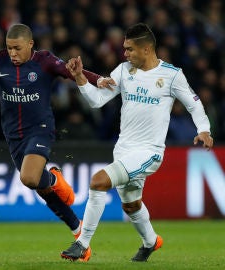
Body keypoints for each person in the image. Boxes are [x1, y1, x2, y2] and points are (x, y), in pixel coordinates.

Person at [61, 23, 214, 262]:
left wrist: (204, 130)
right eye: (124, 49)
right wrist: (80, 77)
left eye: (130, 49)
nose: (125, 54)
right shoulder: (123, 71)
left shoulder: (172, 75)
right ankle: (151, 242)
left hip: (149, 152)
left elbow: (194, 103)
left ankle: (82, 243)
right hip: (123, 149)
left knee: (98, 181)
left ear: (146, 49)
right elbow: (97, 101)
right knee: (131, 205)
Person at [0, 23, 102, 261]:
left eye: (17, 48)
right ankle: (77, 230)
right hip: (13, 136)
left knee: (29, 177)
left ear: (30, 44)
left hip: (40, 130)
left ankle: (53, 179)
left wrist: (99, 80)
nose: (13, 53)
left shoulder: (45, 61)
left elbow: (72, 72)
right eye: (9, 48)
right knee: (39, 186)